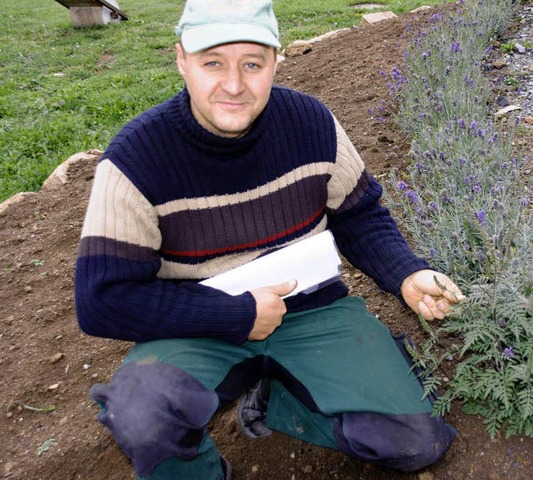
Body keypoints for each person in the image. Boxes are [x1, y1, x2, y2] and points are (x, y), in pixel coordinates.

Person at [74, 0, 465, 478]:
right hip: (197, 325)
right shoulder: (135, 159)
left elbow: (359, 215)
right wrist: (236, 314)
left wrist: (405, 273)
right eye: (212, 62)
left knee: (415, 440)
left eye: (252, 64)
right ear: (181, 60)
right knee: (144, 416)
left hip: (313, 310)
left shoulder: (312, 123)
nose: (234, 85)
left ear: (276, 61)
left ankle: (273, 403)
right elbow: (102, 300)